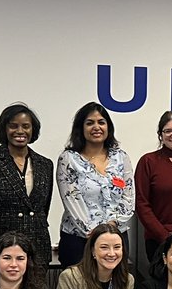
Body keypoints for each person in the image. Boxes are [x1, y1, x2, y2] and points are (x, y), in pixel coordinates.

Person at [0, 103, 55, 271]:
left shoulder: (45, 164)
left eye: (26, 126)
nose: (20, 131)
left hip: (37, 245)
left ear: (33, 130)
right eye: (13, 126)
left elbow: (43, 208)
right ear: (4, 129)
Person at [56, 101, 135, 267]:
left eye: (101, 122)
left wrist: (112, 227)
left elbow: (128, 197)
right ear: (81, 128)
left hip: (116, 238)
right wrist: (95, 233)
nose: (96, 127)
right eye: (90, 123)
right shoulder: (69, 159)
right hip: (79, 240)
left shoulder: (121, 157)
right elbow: (71, 199)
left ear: (108, 127)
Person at [134, 111, 172, 264]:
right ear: (160, 135)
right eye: (168, 131)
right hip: (159, 240)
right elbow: (142, 204)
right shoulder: (148, 161)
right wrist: (166, 237)